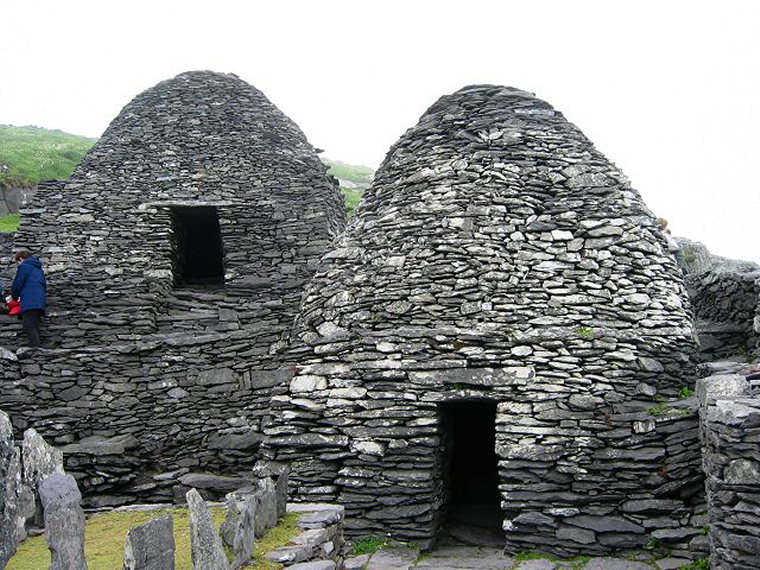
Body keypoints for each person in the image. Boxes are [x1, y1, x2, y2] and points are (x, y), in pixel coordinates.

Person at [11, 249, 47, 347]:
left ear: (21, 259)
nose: (18, 265)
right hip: (39, 300)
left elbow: (17, 284)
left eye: (18, 262)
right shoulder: (39, 270)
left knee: (28, 325)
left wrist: (14, 297)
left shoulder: (24, 266)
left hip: (30, 300)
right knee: (34, 324)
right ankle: (38, 347)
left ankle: (35, 349)